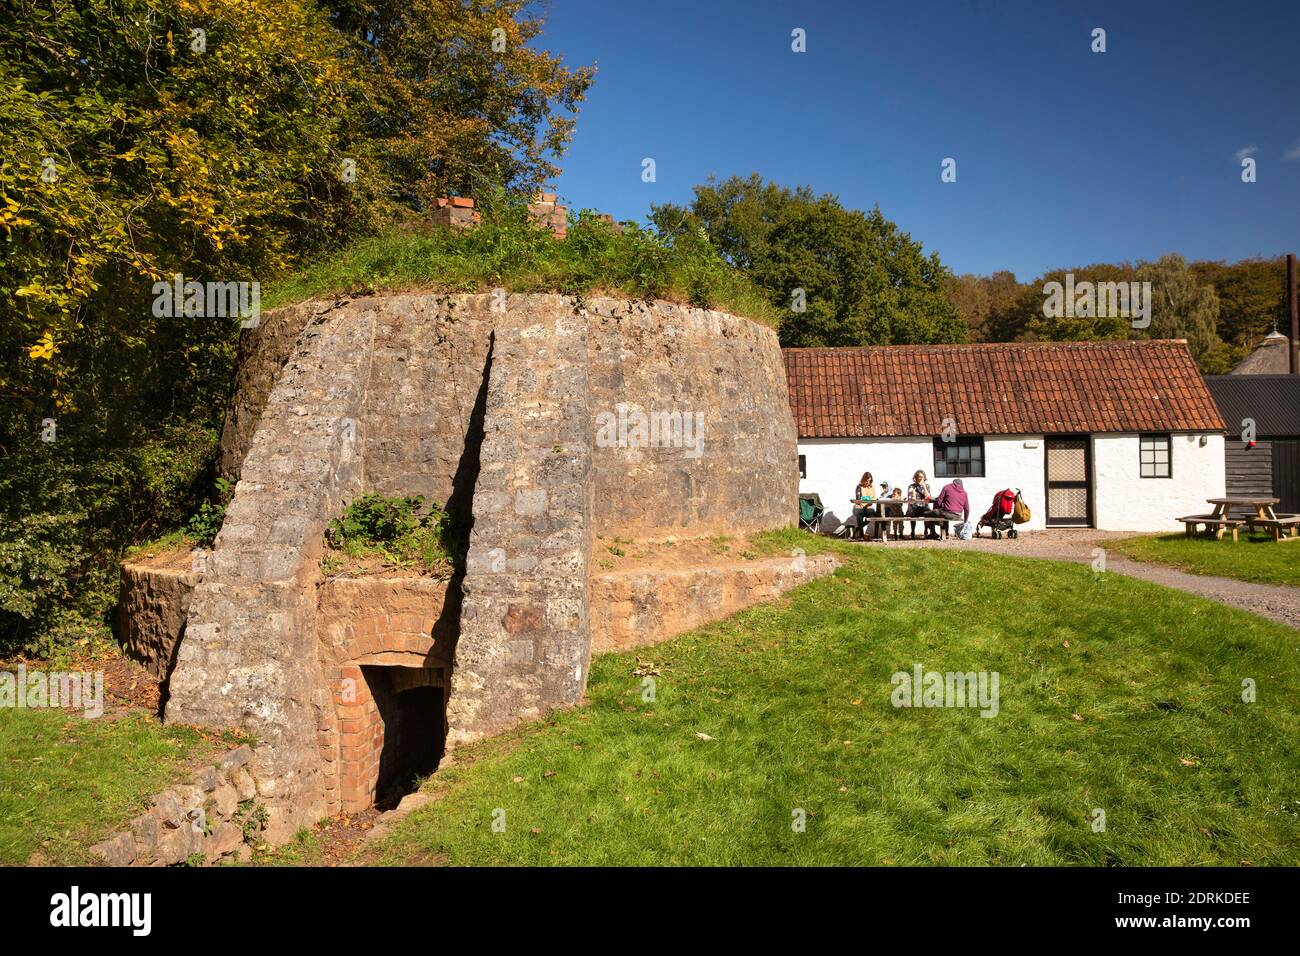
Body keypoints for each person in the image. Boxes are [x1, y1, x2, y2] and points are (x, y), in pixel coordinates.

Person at [905, 470, 932, 539]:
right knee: (912, 514)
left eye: (922, 477)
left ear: (924, 478)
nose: (920, 478)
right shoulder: (911, 486)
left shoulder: (927, 486)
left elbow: (928, 497)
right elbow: (911, 500)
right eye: (918, 477)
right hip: (914, 507)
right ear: (915, 477)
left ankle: (926, 531)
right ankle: (913, 532)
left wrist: (924, 487)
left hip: (924, 507)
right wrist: (913, 493)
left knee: (928, 513)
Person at [850, 471, 876, 539]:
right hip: (860, 506)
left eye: (870, 481)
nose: (868, 482)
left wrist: (867, 504)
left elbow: (874, 498)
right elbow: (858, 499)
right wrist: (863, 504)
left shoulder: (872, 487)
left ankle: (858, 528)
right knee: (859, 514)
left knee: (872, 514)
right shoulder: (859, 487)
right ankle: (861, 534)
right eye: (867, 481)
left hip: (868, 506)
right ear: (864, 480)